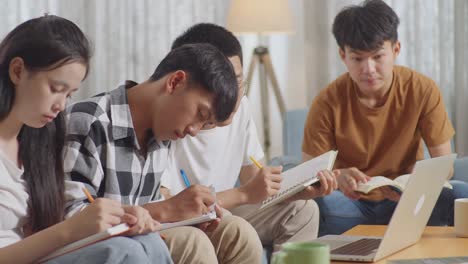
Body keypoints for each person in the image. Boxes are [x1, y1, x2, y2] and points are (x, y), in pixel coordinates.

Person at [63, 42, 263, 263]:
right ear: (175, 82)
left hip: (141, 239)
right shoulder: (90, 122)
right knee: (191, 243)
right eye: (200, 113)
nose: (194, 131)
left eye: (204, 123)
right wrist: (166, 209)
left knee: (235, 233)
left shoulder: (161, 136)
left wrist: (188, 216)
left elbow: (151, 210)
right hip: (100, 249)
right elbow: (68, 219)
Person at [0, 15, 171, 264]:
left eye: (69, 94)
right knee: (125, 252)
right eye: (56, 88)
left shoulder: (36, 145)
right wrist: (71, 229)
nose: (61, 105)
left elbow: (34, 234)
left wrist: (120, 217)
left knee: (147, 240)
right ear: (17, 71)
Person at [160, 23, 339, 252]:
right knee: (230, 226)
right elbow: (168, 205)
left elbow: (255, 182)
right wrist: (243, 194)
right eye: (221, 84)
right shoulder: (171, 120)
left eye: (237, 80)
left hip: (226, 210)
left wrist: (294, 191)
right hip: (182, 220)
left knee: (303, 209)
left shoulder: (242, 107)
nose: (232, 95)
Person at [302, 0, 468, 236]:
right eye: (357, 59)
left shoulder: (422, 90)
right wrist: (339, 179)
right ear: (343, 55)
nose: (368, 69)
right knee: (313, 206)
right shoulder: (327, 101)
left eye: (378, 56)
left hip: (410, 203)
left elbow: (446, 166)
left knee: (461, 195)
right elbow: (308, 172)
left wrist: (416, 184)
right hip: (351, 205)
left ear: (396, 49)